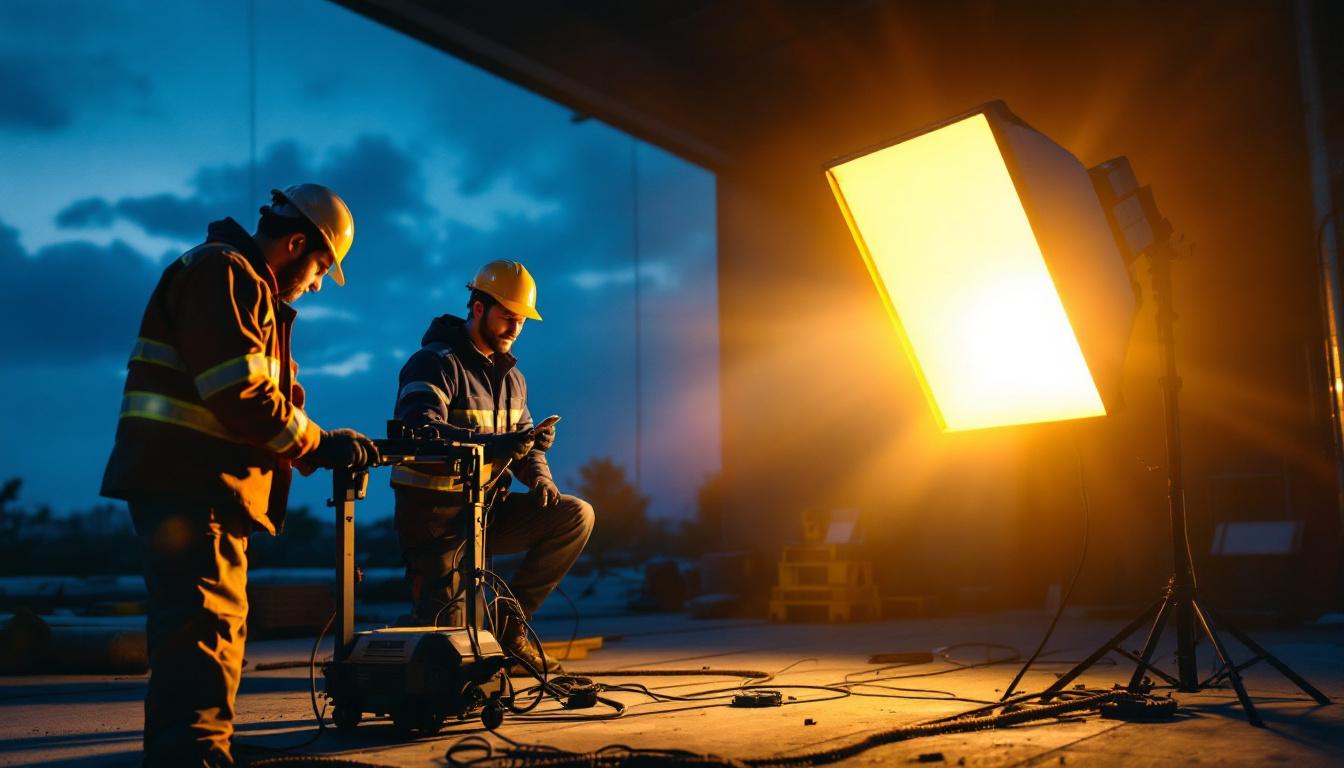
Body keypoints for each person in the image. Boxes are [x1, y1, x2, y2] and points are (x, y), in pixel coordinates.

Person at [101, 184, 381, 767]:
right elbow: (241, 393)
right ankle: (195, 756)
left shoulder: (231, 277)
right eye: (321, 269)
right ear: (297, 242)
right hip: (193, 484)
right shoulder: (226, 274)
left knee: (207, 632)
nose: (316, 284)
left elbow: (249, 393)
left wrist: (307, 438)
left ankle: (200, 748)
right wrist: (319, 443)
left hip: (198, 485)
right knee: (204, 634)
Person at [390, 259, 594, 674]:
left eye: (521, 321)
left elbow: (522, 444)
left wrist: (538, 472)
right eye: (508, 318)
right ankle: (414, 632)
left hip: (487, 513)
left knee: (576, 516)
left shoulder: (512, 379)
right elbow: (418, 430)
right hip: (435, 520)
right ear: (478, 307)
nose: (515, 329)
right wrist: (498, 445)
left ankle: (509, 627)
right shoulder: (435, 363)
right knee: (447, 644)